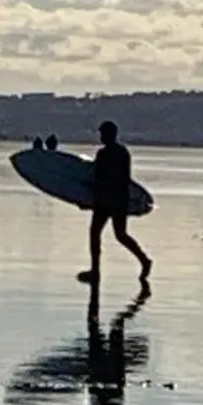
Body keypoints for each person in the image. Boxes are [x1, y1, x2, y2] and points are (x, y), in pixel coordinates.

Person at [80, 120, 152, 287]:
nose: (101, 137)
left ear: (110, 134)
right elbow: (125, 179)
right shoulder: (123, 153)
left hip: (108, 200)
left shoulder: (105, 154)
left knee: (99, 234)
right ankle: (143, 261)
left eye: (102, 134)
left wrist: (89, 200)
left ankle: (96, 271)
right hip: (119, 200)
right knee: (118, 235)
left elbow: (99, 180)